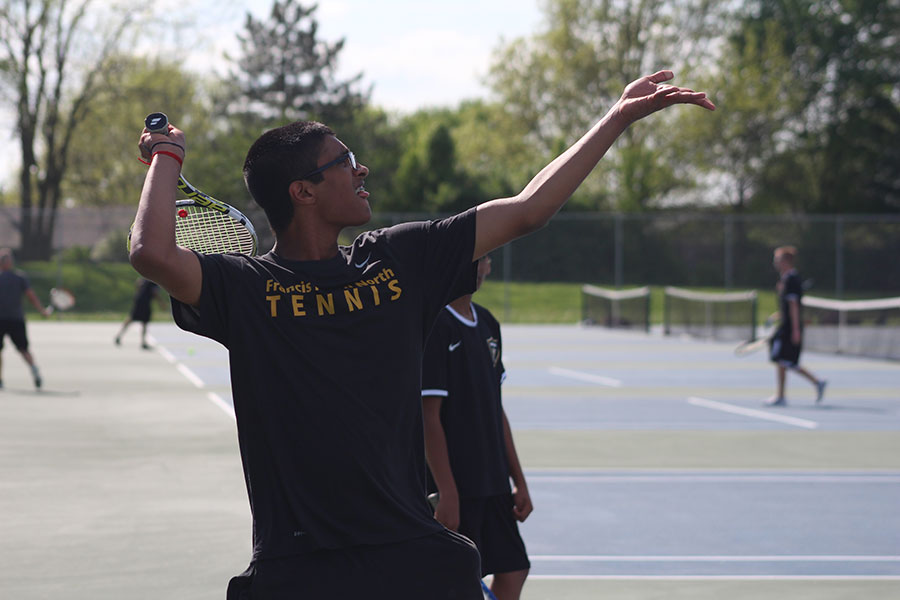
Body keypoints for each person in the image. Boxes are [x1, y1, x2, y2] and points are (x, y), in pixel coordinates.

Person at [129, 70, 713, 598]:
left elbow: (529, 209)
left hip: (410, 552)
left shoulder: (398, 258)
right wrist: (167, 157)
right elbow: (151, 252)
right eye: (344, 160)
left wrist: (615, 119)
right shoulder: (245, 287)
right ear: (302, 191)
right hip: (299, 564)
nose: (361, 169)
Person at [422, 254, 532, 600]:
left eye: (486, 260)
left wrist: (519, 480)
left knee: (515, 568)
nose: (485, 267)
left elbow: (495, 410)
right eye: (479, 259)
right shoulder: (436, 325)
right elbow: (428, 418)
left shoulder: (487, 324)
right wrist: (447, 492)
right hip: (458, 485)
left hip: (494, 482)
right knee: (456, 582)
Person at [766, 246, 827, 406]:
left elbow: (794, 306)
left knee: (786, 361)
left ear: (786, 261)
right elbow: (787, 307)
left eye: (778, 260)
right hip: (786, 326)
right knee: (783, 360)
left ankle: (814, 383)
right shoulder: (786, 280)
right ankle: (783, 394)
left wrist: (795, 330)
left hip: (790, 328)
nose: (775, 263)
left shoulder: (792, 280)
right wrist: (776, 316)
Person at [0, 248, 50, 390]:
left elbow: (30, 295)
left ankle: (33, 371)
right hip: (15, 319)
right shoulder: (20, 277)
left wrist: (41, 310)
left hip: (9, 319)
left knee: (22, 349)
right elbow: (31, 296)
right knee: (23, 349)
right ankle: (34, 370)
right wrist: (42, 311)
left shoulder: (19, 278)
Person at [115, 277, 162, 349]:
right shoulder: (154, 280)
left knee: (132, 319)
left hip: (139, 300)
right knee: (144, 322)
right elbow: (155, 293)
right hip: (144, 303)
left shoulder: (146, 277)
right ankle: (143, 342)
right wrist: (161, 303)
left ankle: (119, 336)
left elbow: (138, 282)